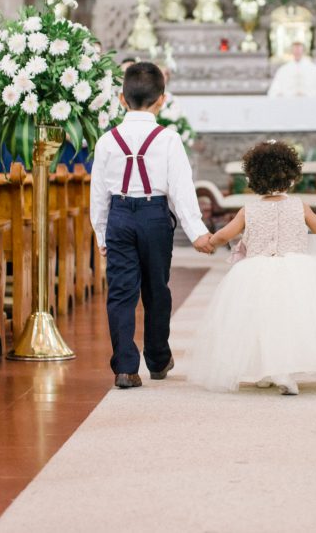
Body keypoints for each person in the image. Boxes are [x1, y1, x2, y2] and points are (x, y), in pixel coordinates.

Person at [188, 141, 316, 395]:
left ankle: (276, 371)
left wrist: (209, 242)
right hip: (297, 270)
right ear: (291, 177)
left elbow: (224, 234)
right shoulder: (300, 205)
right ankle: (277, 371)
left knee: (259, 320)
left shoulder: (248, 209)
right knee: (292, 319)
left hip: (256, 271)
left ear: (253, 179)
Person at [90, 62, 213, 390]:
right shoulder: (168, 139)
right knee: (157, 289)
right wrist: (197, 231)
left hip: (119, 215)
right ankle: (158, 359)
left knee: (120, 292)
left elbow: (98, 193)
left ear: (120, 98)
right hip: (154, 216)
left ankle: (126, 368)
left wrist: (101, 232)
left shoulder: (107, 140)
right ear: (161, 99)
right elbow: (181, 188)